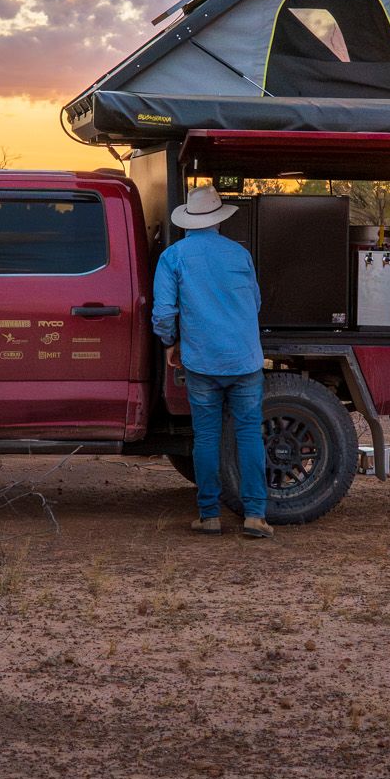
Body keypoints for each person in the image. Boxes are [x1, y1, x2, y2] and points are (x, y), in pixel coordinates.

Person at [151, 186, 271, 539]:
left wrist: (171, 343)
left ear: (189, 220)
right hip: (245, 359)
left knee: (206, 437)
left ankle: (209, 516)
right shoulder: (240, 255)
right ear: (219, 219)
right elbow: (256, 302)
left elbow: (163, 313)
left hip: (201, 361)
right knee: (249, 434)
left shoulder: (174, 257)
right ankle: (255, 515)